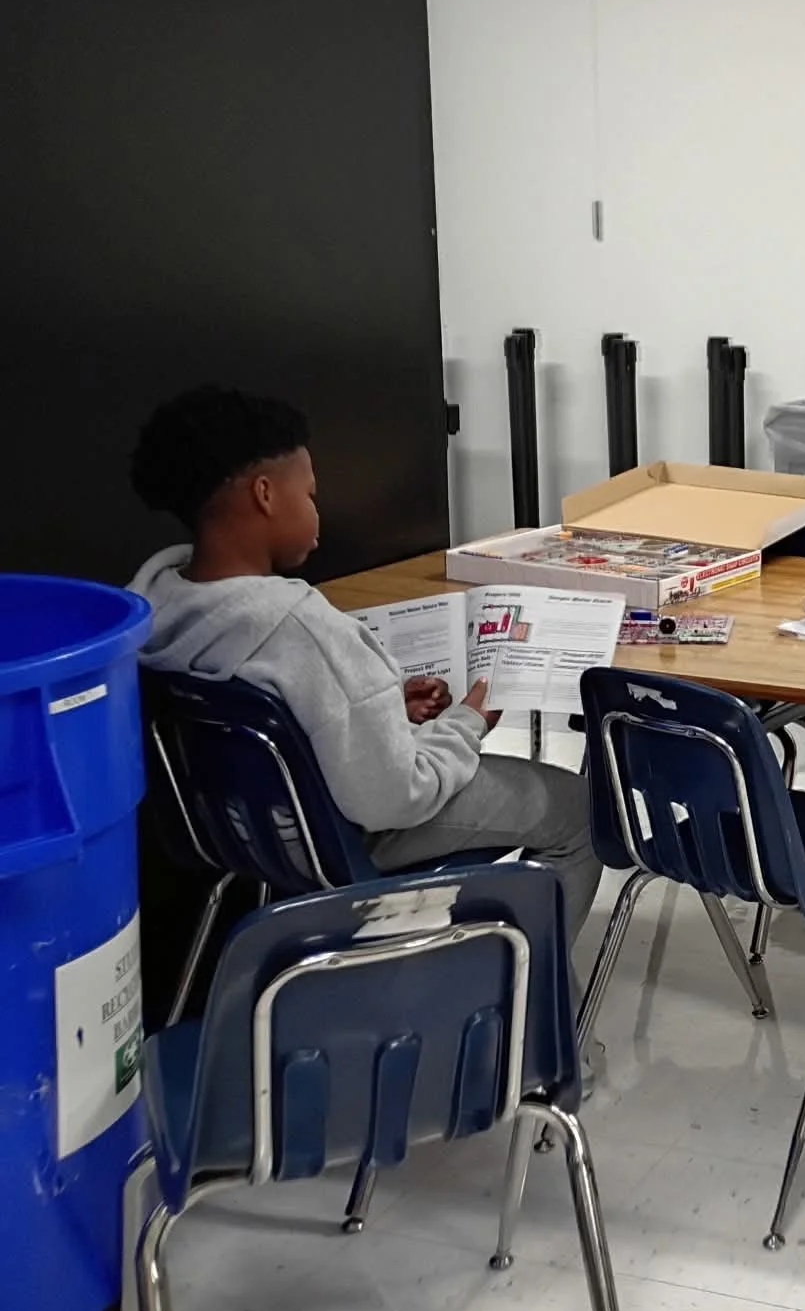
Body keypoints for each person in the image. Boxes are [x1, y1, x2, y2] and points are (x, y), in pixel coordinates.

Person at [127, 387, 603, 940]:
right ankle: (533, 1006)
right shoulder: (297, 624)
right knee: (581, 814)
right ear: (265, 495)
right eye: (308, 493)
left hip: (232, 831)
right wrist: (469, 722)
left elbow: (279, 715)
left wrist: (381, 710)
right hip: (333, 834)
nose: (316, 509)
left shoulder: (159, 602)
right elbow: (397, 797)